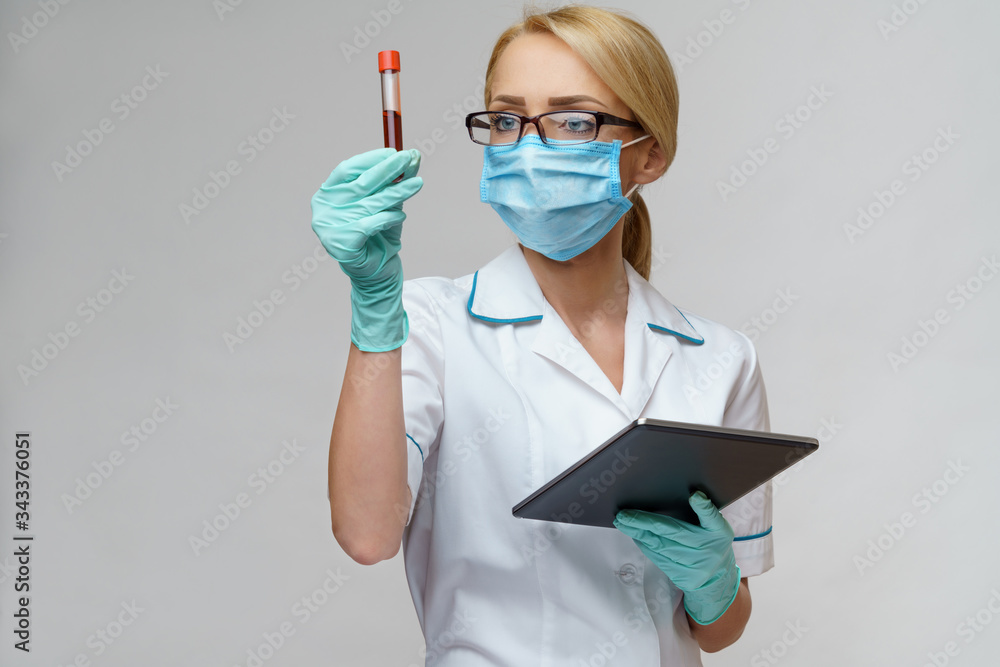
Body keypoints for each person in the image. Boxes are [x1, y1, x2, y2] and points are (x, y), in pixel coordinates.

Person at [311, 5, 773, 665]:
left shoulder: (721, 359)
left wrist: (715, 582)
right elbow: (366, 533)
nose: (529, 148)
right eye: (507, 121)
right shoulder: (429, 325)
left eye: (574, 121)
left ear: (650, 155)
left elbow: (721, 630)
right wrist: (374, 308)